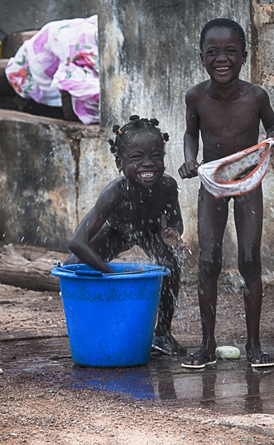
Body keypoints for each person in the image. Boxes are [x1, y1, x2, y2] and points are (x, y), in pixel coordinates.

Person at [178, 18, 274, 370]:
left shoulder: (256, 97)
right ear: (201, 57)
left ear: (244, 56)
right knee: (208, 261)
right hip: (212, 184)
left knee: (249, 260)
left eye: (229, 52)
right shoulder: (196, 96)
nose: (221, 59)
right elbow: (190, 134)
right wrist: (190, 160)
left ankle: (254, 344)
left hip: (247, 182)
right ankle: (207, 345)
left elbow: (272, 126)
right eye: (212, 52)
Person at [66, 115, 187, 356]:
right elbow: (77, 242)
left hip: (150, 232)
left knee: (169, 265)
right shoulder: (115, 192)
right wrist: (111, 276)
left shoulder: (167, 186)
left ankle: (162, 334)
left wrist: (172, 233)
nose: (148, 165)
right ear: (119, 162)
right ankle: (95, 330)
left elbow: (177, 223)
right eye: (136, 158)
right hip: (117, 232)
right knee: (72, 269)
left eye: (156, 157)